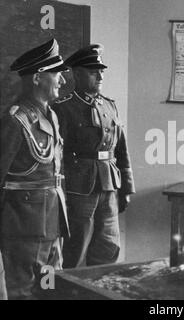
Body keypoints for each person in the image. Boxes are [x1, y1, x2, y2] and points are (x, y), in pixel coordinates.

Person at [53, 44, 135, 268]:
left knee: (108, 246)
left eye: (101, 71)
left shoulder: (110, 106)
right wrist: (60, 194)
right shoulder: (63, 108)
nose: (100, 76)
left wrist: (127, 187)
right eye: (93, 71)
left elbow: (121, 150)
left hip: (109, 187)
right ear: (77, 74)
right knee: (76, 247)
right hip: (78, 188)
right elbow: (56, 158)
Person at [0, 39, 69, 299]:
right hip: (23, 229)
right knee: (23, 293)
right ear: (38, 78)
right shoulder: (15, 120)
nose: (62, 81)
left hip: (51, 225)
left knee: (50, 289)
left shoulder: (49, 115)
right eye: (57, 74)